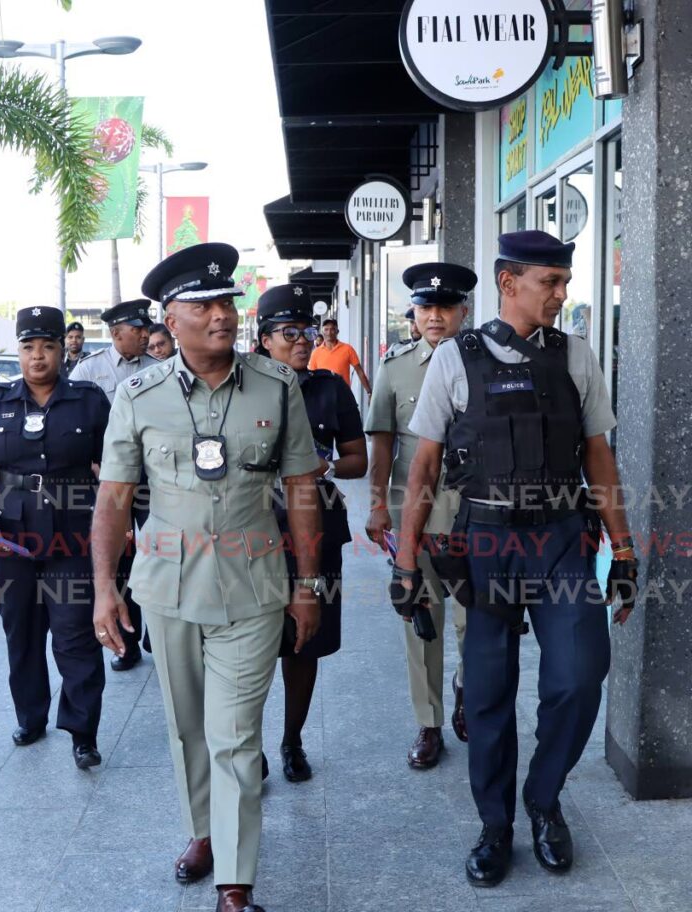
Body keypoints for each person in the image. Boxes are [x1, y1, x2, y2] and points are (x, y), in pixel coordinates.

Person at [393, 231, 639, 887]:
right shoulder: (455, 360)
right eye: (549, 282)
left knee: (581, 673)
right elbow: (424, 467)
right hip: (486, 544)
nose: (561, 294)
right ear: (509, 282)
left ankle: (543, 800)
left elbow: (598, 456)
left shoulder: (576, 356)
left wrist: (625, 548)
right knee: (490, 693)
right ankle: (495, 825)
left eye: (564, 281)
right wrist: (406, 562)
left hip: (561, 538)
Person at [92, 243, 323, 912]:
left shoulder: (277, 388)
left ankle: (235, 882)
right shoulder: (138, 396)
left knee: (234, 734)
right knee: (186, 726)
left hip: (253, 586)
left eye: (228, 303)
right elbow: (112, 497)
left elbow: (303, 489)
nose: (223, 316)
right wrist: (105, 587)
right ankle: (204, 831)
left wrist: (307, 584)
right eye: (206, 306)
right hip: (167, 587)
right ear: (172, 317)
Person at [0, 306, 110, 769]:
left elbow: (115, 469)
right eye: (28, 347)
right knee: (21, 633)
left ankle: (82, 731)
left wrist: (118, 523)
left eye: (47, 345)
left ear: (61, 349)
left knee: (74, 633)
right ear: (18, 351)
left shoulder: (89, 400)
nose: (38, 356)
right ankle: (30, 716)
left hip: (73, 533)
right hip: (11, 536)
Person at [365, 263, 475, 770]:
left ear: (463, 312)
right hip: (416, 511)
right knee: (420, 616)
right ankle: (428, 723)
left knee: (474, 618)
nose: (436, 317)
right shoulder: (394, 366)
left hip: (475, 511)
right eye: (426, 308)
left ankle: (466, 687)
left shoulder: (486, 361)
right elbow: (383, 442)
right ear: (413, 313)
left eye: (445, 308)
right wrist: (376, 505)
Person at [256, 284, 367, 782]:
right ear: (264, 341)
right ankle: (247, 746)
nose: (303, 340)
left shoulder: (331, 389)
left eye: (306, 330)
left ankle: (292, 741)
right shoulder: (243, 389)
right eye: (289, 332)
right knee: (251, 643)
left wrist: (324, 466)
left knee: (306, 640)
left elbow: (358, 460)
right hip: (253, 529)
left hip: (318, 526)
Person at [70, 299, 159, 670]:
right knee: (120, 562)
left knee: (161, 551)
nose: (144, 335)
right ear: (116, 333)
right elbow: (74, 429)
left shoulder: (163, 369)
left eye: (145, 329)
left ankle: (162, 632)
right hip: (107, 479)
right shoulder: (89, 372)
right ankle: (129, 641)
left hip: (155, 478)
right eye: (137, 330)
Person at [309, 318, 372, 398]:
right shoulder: (316, 353)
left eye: (332, 329)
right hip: (323, 398)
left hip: (344, 396)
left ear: (337, 331)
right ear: (322, 332)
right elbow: (312, 378)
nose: (329, 332)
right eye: (326, 329)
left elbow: (359, 371)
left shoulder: (347, 349)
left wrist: (369, 392)